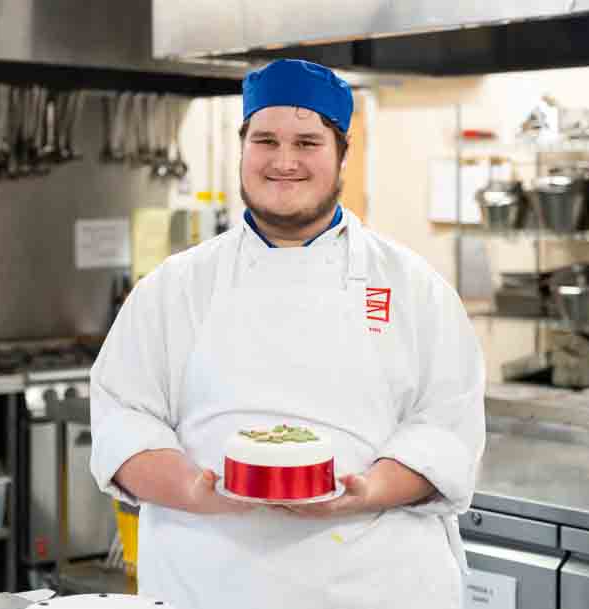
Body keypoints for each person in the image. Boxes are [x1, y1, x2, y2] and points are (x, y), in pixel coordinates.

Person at [90, 58, 486, 609]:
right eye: (266, 141)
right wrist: (193, 490)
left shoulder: (414, 287)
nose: (284, 161)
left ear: (342, 153)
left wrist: (367, 491)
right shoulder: (174, 287)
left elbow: (448, 428)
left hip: (375, 586)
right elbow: (121, 419)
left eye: (307, 143)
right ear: (243, 148)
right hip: (208, 587)